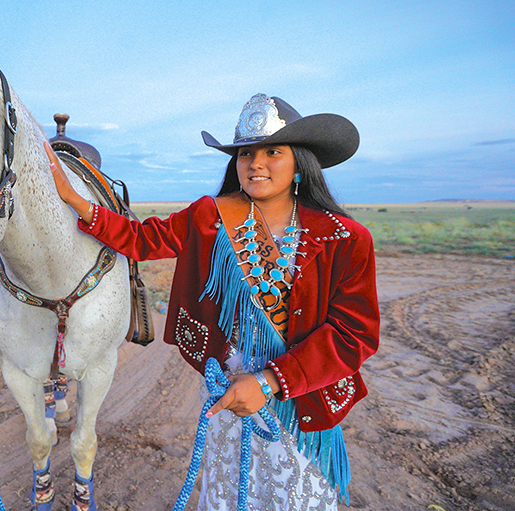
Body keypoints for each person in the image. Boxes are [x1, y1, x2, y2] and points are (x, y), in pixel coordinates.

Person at [43, 93, 380, 509]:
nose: (254, 163)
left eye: (272, 151)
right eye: (245, 153)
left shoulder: (344, 238)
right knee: (230, 488)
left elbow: (354, 335)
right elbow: (142, 239)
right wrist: (77, 200)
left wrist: (268, 382)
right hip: (228, 391)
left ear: (300, 164)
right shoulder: (211, 215)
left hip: (300, 398)